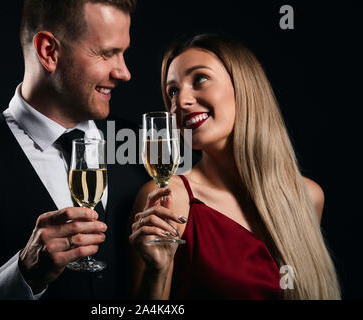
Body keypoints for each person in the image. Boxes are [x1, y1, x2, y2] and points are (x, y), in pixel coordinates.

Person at [0, 0, 147, 300]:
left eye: (123, 53)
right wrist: (22, 275)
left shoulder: (140, 149)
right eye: (106, 53)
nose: (124, 73)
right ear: (49, 51)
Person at [129, 34, 341, 300]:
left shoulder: (307, 197)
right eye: (172, 91)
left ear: (244, 87)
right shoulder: (170, 199)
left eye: (200, 79)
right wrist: (156, 272)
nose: (180, 102)